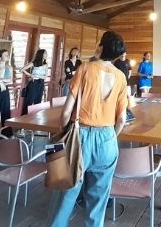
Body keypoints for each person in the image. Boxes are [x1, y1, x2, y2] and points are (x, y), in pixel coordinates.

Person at [49, 31, 128, 227]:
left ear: (100, 47)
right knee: (99, 197)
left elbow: (66, 112)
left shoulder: (84, 69)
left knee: (67, 191)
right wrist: (111, 136)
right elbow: (122, 119)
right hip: (108, 138)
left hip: (80, 135)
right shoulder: (120, 76)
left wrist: (63, 134)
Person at [21, 49, 48, 114]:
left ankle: (35, 118)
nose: (46, 55)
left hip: (41, 83)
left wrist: (36, 75)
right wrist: (30, 75)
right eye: (45, 53)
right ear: (41, 54)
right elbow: (22, 69)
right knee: (29, 101)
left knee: (38, 102)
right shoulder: (34, 63)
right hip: (33, 83)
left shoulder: (46, 64)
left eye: (46, 53)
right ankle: (24, 118)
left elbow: (45, 77)